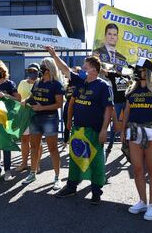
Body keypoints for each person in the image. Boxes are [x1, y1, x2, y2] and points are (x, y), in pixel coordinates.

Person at [46, 46, 113, 205]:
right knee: (76, 159)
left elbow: (109, 110)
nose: (82, 69)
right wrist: (54, 55)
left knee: (96, 163)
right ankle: (71, 187)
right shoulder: (80, 81)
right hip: (78, 129)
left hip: (94, 131)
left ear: (94, 70)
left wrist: (104, 129)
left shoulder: (103, 86)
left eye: (86, 67)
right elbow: (64, 68)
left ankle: (96, 192)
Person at [121, 57, 152, 221]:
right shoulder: (131, 90)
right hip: (134, 131)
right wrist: (122, 131)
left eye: (139, 69)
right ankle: (142, 201)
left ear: (147, 71)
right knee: (137, 169)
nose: (136, 72)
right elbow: (127, 113)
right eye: (135, 69)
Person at [21, 57, 65, 190]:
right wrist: (26, 101)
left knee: (52, 149)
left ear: (50, 68)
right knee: (34, 147)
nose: (41, 68)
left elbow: (59, 104)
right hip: (35, 118)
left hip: (49, 119)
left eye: (43, 65)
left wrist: (42, 108)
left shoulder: (56, 84)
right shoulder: (37, 82)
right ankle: (32, 173)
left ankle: (57, 177)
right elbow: (33, 96)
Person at [16, 63, 42, 172]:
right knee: (24, 140)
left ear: (38, 72)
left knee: (36, 141)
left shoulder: (41, 83)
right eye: (30, 71)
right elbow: (18, 97)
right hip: (24, 114)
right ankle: (24, 163)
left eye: (34, 71)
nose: (32, 73)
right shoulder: (22, 83)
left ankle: (36, 164)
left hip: (36, 114)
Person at [101, 67, 131, 155]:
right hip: (117, 103)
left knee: (128, 124)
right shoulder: (113, 75)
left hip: (127, 102)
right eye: (118, 67)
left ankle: (126, 145)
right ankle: (110, 145)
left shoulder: (128, 76)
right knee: (115, 124)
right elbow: (103, 71)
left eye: (121, 67)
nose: (119, 69)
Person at [63, 66, 81, 145]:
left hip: (77, 104)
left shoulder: (79, 83)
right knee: (66, 122)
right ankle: (65, 140)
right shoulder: (68, 84)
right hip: (67, 104)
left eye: (74, 72)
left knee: (77, 124)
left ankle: (76, 140)